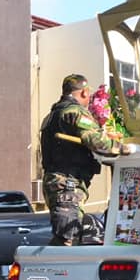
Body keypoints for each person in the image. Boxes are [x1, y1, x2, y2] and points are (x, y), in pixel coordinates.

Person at [40, 74, 130, 246]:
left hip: (56, 180)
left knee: (67, 233)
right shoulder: (75, 111)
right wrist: (123, 148)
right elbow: (96, 141)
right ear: (83, 93)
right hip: (67, 182)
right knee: (68, 237)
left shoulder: (53, 115)